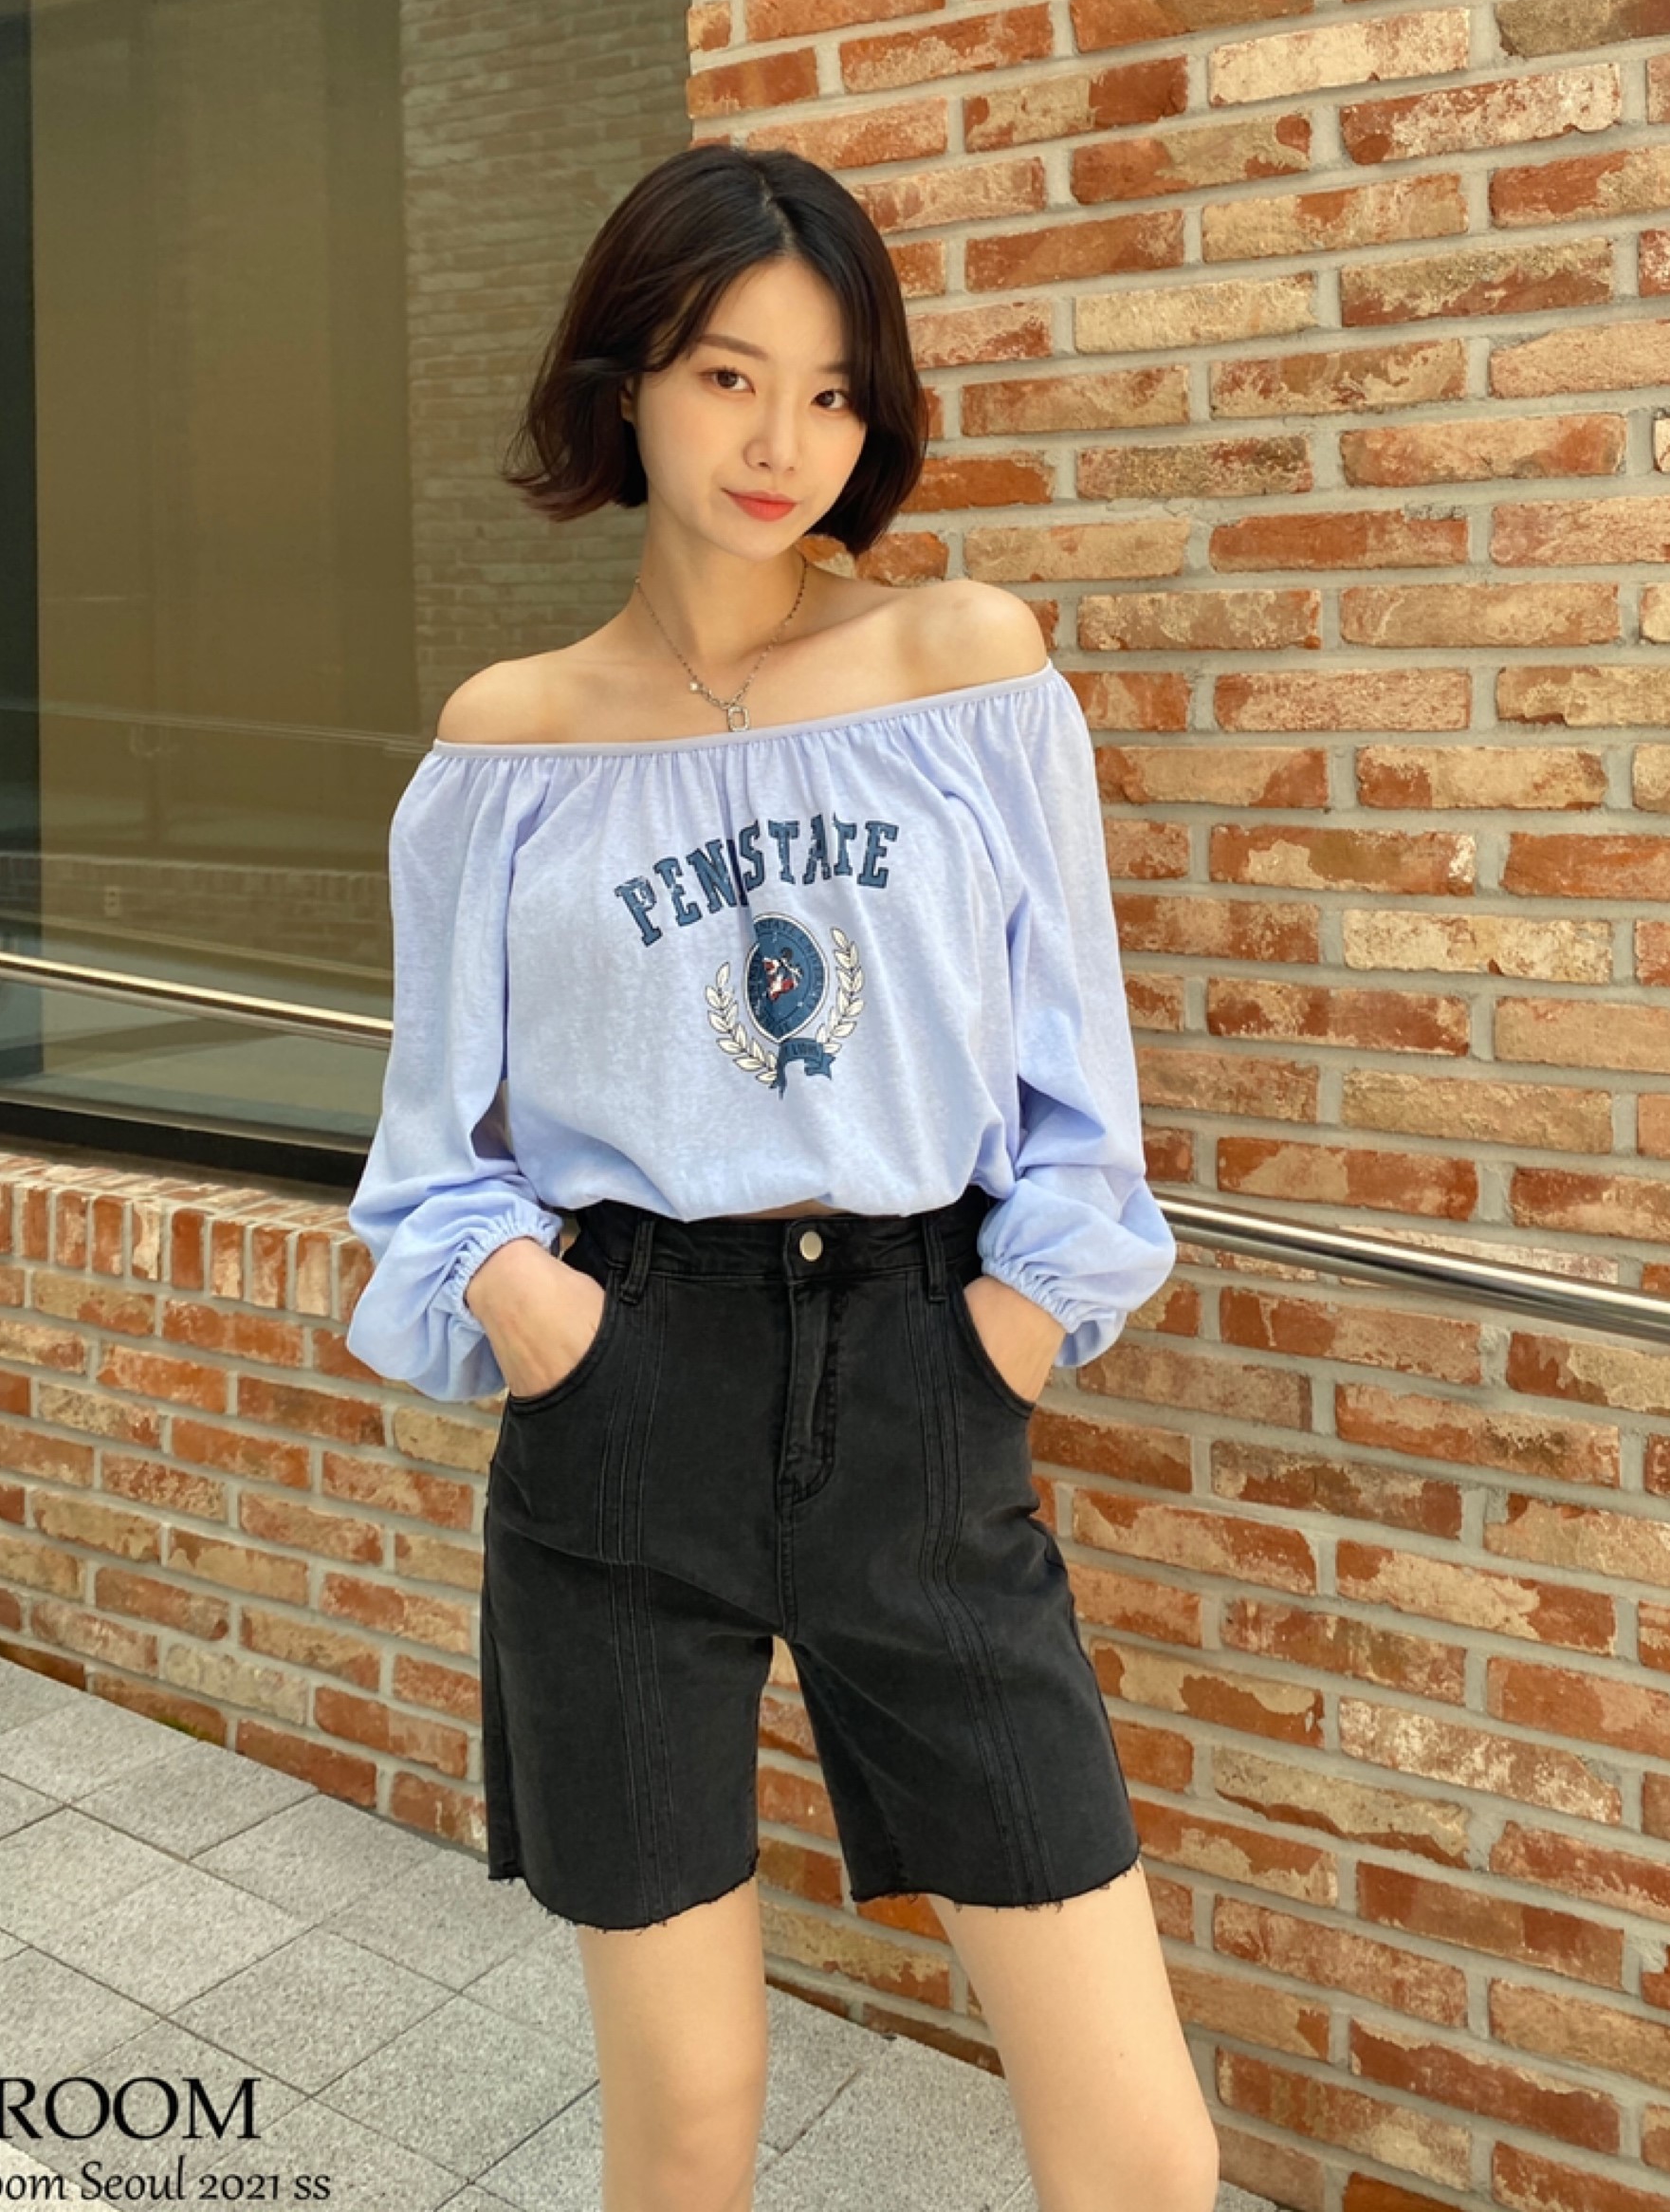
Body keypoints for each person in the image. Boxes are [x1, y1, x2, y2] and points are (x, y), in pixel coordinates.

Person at [345, 146, 1220, 2212]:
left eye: (831, 393)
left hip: (921, 1382)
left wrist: (1008, 1328)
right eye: (729, 376)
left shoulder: (965, 671)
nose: (781, 444)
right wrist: (535, 1313)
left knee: (1141, 2149)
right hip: (624, 1409)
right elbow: (433, 1157)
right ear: (627, 383)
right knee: (684, 2125)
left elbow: (1081, 1094)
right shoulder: (509, 745)